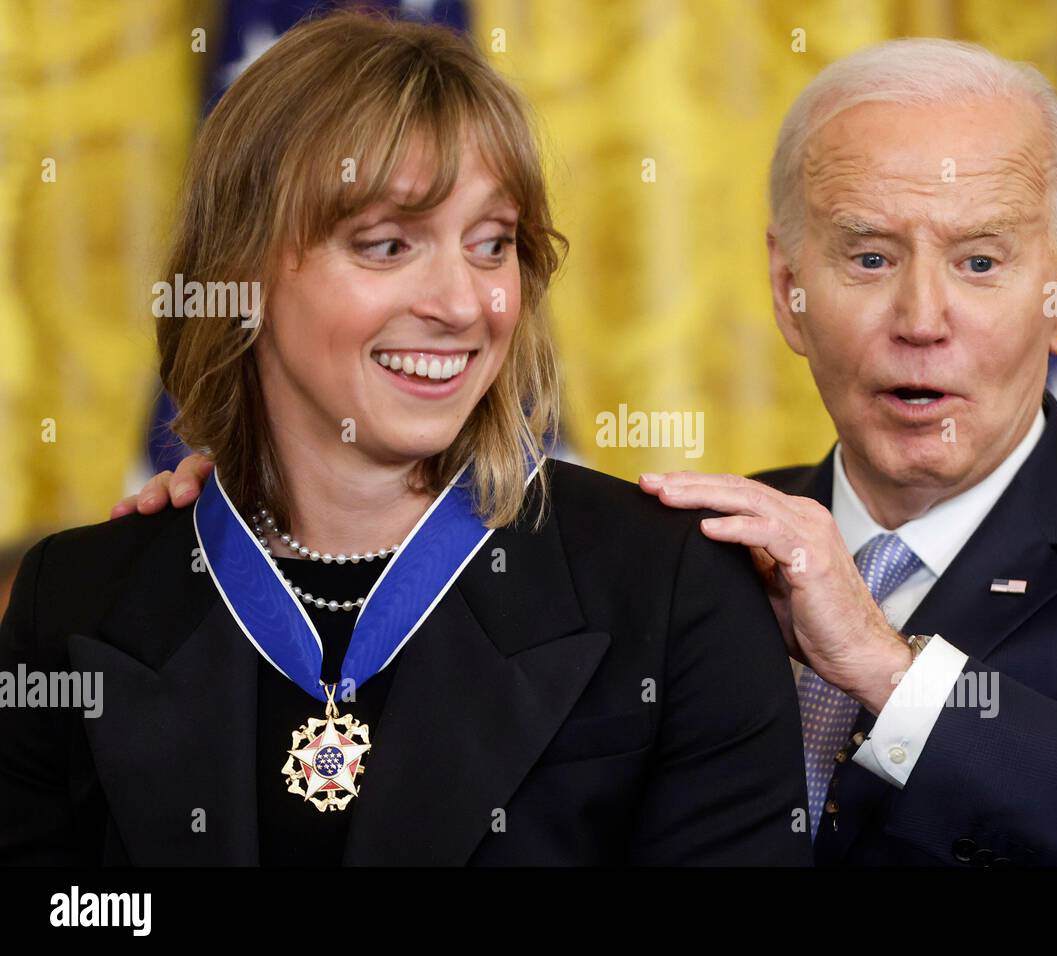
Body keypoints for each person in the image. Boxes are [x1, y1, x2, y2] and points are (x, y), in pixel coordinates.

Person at [120, 38, 1057, 867]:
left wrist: (894, 677)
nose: (922, 314)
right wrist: (260, 528)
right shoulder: (678, 556)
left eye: (982, 261)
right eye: (870, 257)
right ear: (789, 291)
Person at [0, 11, 811, 867]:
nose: (463, 304)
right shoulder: (74, 601)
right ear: (242, 274)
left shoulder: (671, 588)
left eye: (492, 244)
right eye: (389, 246)